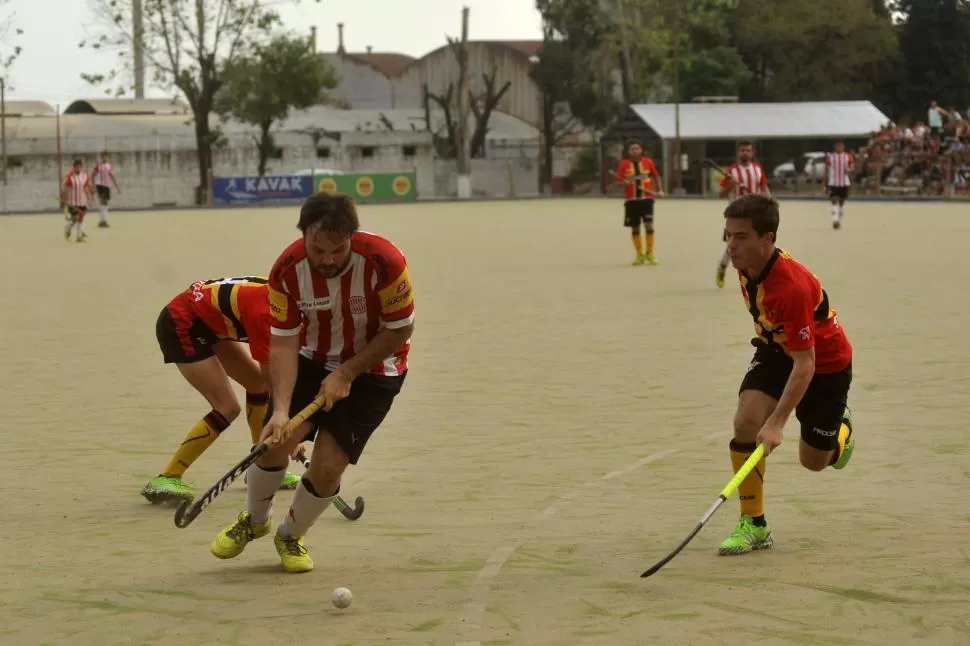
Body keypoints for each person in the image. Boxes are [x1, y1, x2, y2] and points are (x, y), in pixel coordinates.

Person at [210, 192, 414, 573]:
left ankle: (290, 534)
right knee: (274, 442)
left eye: (337, 250)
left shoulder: (385, 262)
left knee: (327, 467)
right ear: (304, 235)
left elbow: (400, 329)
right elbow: (284, 342)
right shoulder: (286, 271)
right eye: (318, 250)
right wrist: (282, 408)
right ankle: (253, 521)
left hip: (376, 370)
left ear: (352, 236)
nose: (328, 259)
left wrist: (347, 372)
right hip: (310, 358)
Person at [718, 194, 854, 556]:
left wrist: (778, 421)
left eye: (741, 237)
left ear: (768, 238)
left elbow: (806, 363)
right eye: (728, 235)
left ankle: (843, 428)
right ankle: (754, 523)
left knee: (815, 462)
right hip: (777, 348)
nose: (731, 246)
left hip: (823, 363)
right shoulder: (747, 264)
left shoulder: (791, 288)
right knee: (746, 422)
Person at [142, 276, 303, 504]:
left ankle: (262, 465)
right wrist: (288, 433)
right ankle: (167, 477)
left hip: (211, 322)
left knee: (257, 387)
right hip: (182, 324)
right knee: (227, 407)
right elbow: (274, 378)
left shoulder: (290, 303)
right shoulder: (267, 315)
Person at [715, 142, 769, 288]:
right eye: (743, 150)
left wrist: (769, 205)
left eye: (748, 150)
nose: (745, 152)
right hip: (736, 216)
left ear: (753, 153)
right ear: (739, 152)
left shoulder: (758, 170)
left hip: (754, 215)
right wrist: (731, 185)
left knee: (755, 245)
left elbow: (764, 188)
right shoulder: (732, 171)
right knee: (733, 246)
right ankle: (722, 268)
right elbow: (720, 194)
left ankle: (754, 277)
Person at [615, 140, 664, 265]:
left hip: (646, 199)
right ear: (628, 151)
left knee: (649, 225)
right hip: (631, 201)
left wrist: (659, 189)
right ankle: (639, 254)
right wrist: (623, 182)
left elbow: (656, 176)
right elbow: (618, 181)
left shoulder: (648, 162)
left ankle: (650, 253)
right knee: (635, 227)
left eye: (637, 148)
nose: (635, 151)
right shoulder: (624, 164)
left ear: (641, 150)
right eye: (632, 149)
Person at [61, 158, 94, 243]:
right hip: (73, 201)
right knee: (76, 217)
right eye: (77, 166)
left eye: (80, 166)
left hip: (82, 201)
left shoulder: (84, 175)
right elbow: (66, 189)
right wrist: (65, 200)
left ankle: (78, 237)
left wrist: (89, 198)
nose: (78, 168)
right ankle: (68, 227)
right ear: (74, 167)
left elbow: (86, 187)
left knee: (81, 218)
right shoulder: (70, 176)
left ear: (81, 167)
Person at [824, 140, 854, 229]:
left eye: (841, 146)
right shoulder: (830, 157)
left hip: (844, 182)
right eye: (838, 146)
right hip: (833, 182)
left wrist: (849, 170)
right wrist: (825, 182)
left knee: (841, 202)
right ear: (835, 147)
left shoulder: (848, 156)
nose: (839, 148)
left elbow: (852, 167)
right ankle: (835, 220)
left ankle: (839, 220)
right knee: (834, 201)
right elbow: (826, 169)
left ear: (843, 147)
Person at [92, 151, 121, 228]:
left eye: (106, 156)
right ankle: (103, 221)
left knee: (105, 203)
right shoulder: (98, 166)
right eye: (103, 156)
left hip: (107, 186)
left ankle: (102, 220)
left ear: (107, 157)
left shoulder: (109, 166)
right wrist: (93, 186)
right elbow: (92, 175)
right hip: (100, 185)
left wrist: (117, 187)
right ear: (101, 157)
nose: (104, 158)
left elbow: (112, 176)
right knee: (103, 202)